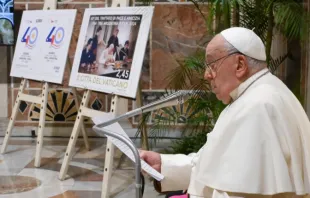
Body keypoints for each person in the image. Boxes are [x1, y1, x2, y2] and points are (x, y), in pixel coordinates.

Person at [140, 27, 310, 198]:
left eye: (212, 65)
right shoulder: (256, 93)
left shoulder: (258, 107)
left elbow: (239, 191)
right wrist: (163, 165)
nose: (206, 75)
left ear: (240, 65)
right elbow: (215, 165)